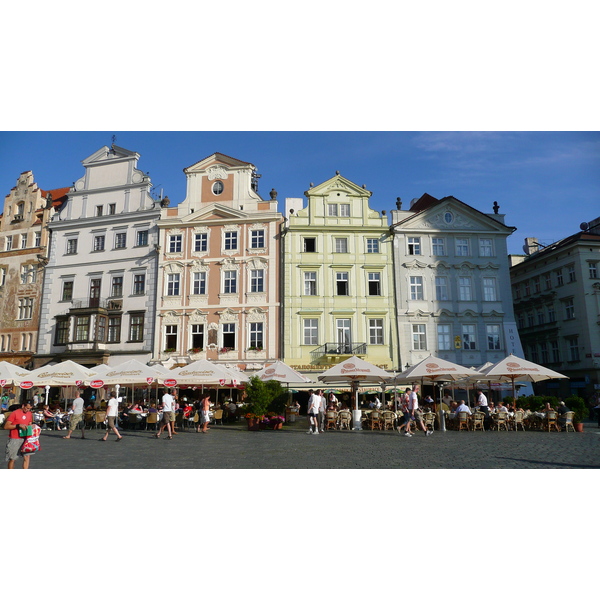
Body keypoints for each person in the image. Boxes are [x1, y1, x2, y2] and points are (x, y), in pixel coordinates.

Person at [4, 399, 34, 469]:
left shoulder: (29, 414)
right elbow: (6, 426)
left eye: (30, 409)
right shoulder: (15, 413)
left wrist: (31, 426)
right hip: (15, 438)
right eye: (27, 408)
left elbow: (29, 423)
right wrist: (18, 426)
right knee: (12, 458)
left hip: (26, 438)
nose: (28, 410)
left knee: (27, 457)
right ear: (23, 405)